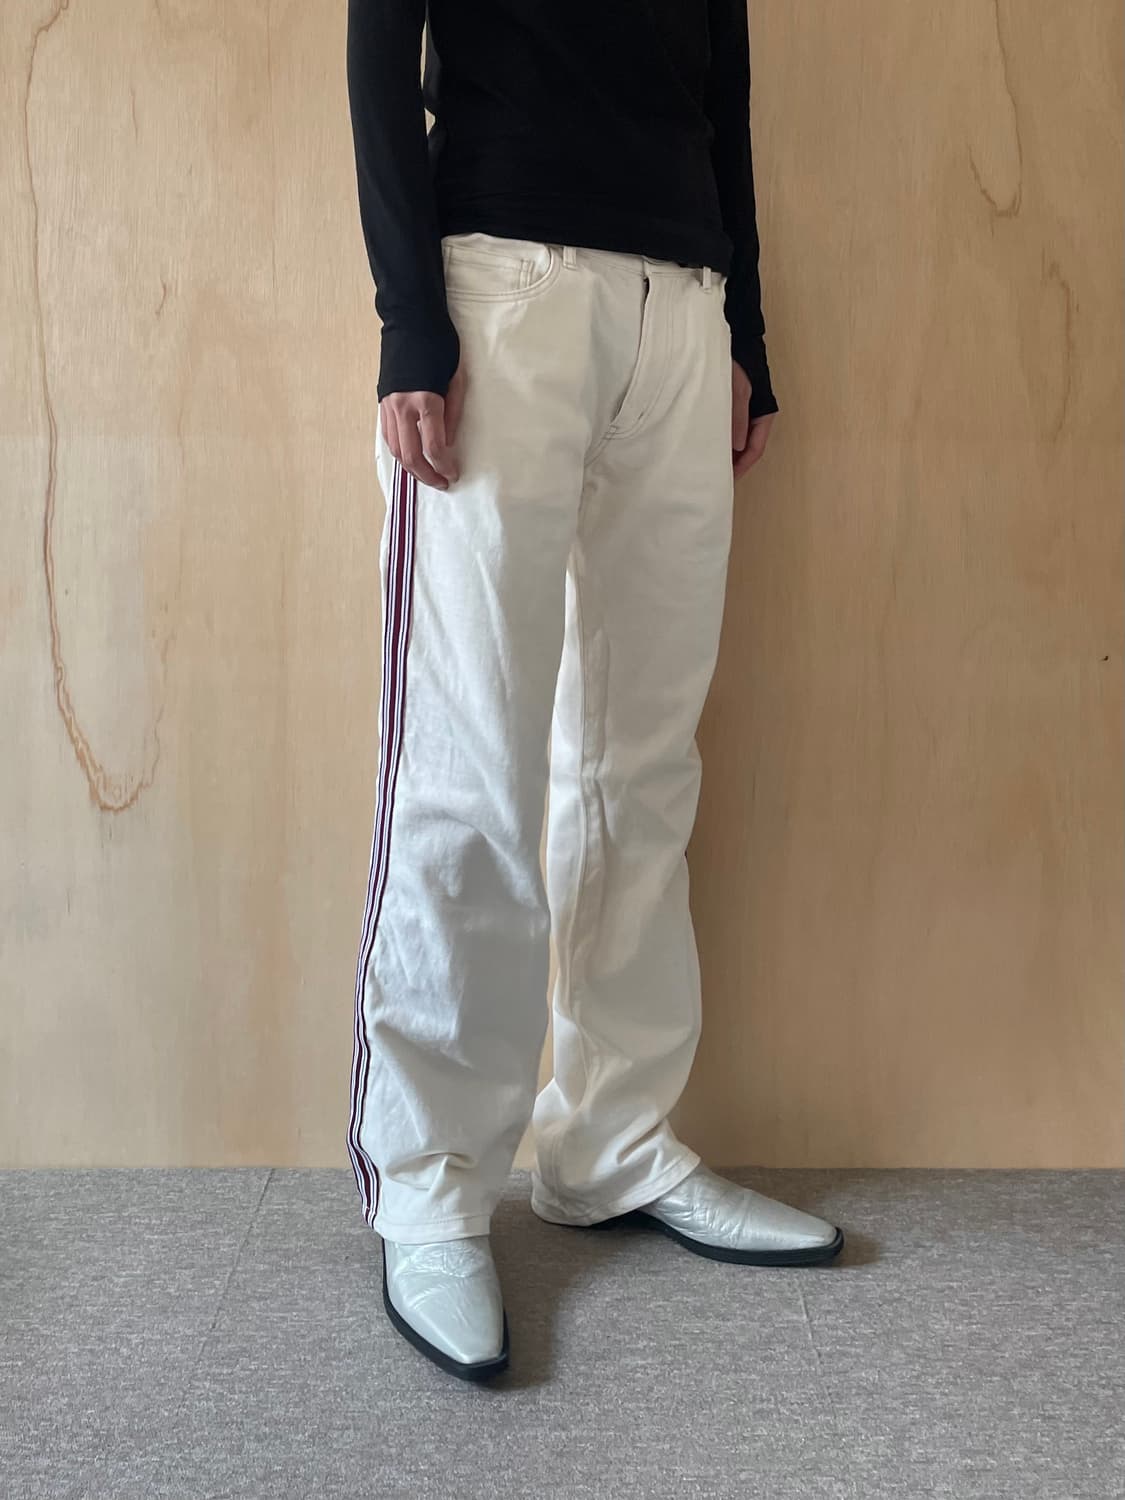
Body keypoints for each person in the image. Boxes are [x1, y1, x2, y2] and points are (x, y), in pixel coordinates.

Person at [344, 0, 843, 1383]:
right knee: (468, 762)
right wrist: (408, 315)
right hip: (500, 285)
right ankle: (432, 1185)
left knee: (640, 765)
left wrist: (742, 327)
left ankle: (609, 1140)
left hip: (677, 304)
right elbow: (379, 46)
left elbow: (724, 82)